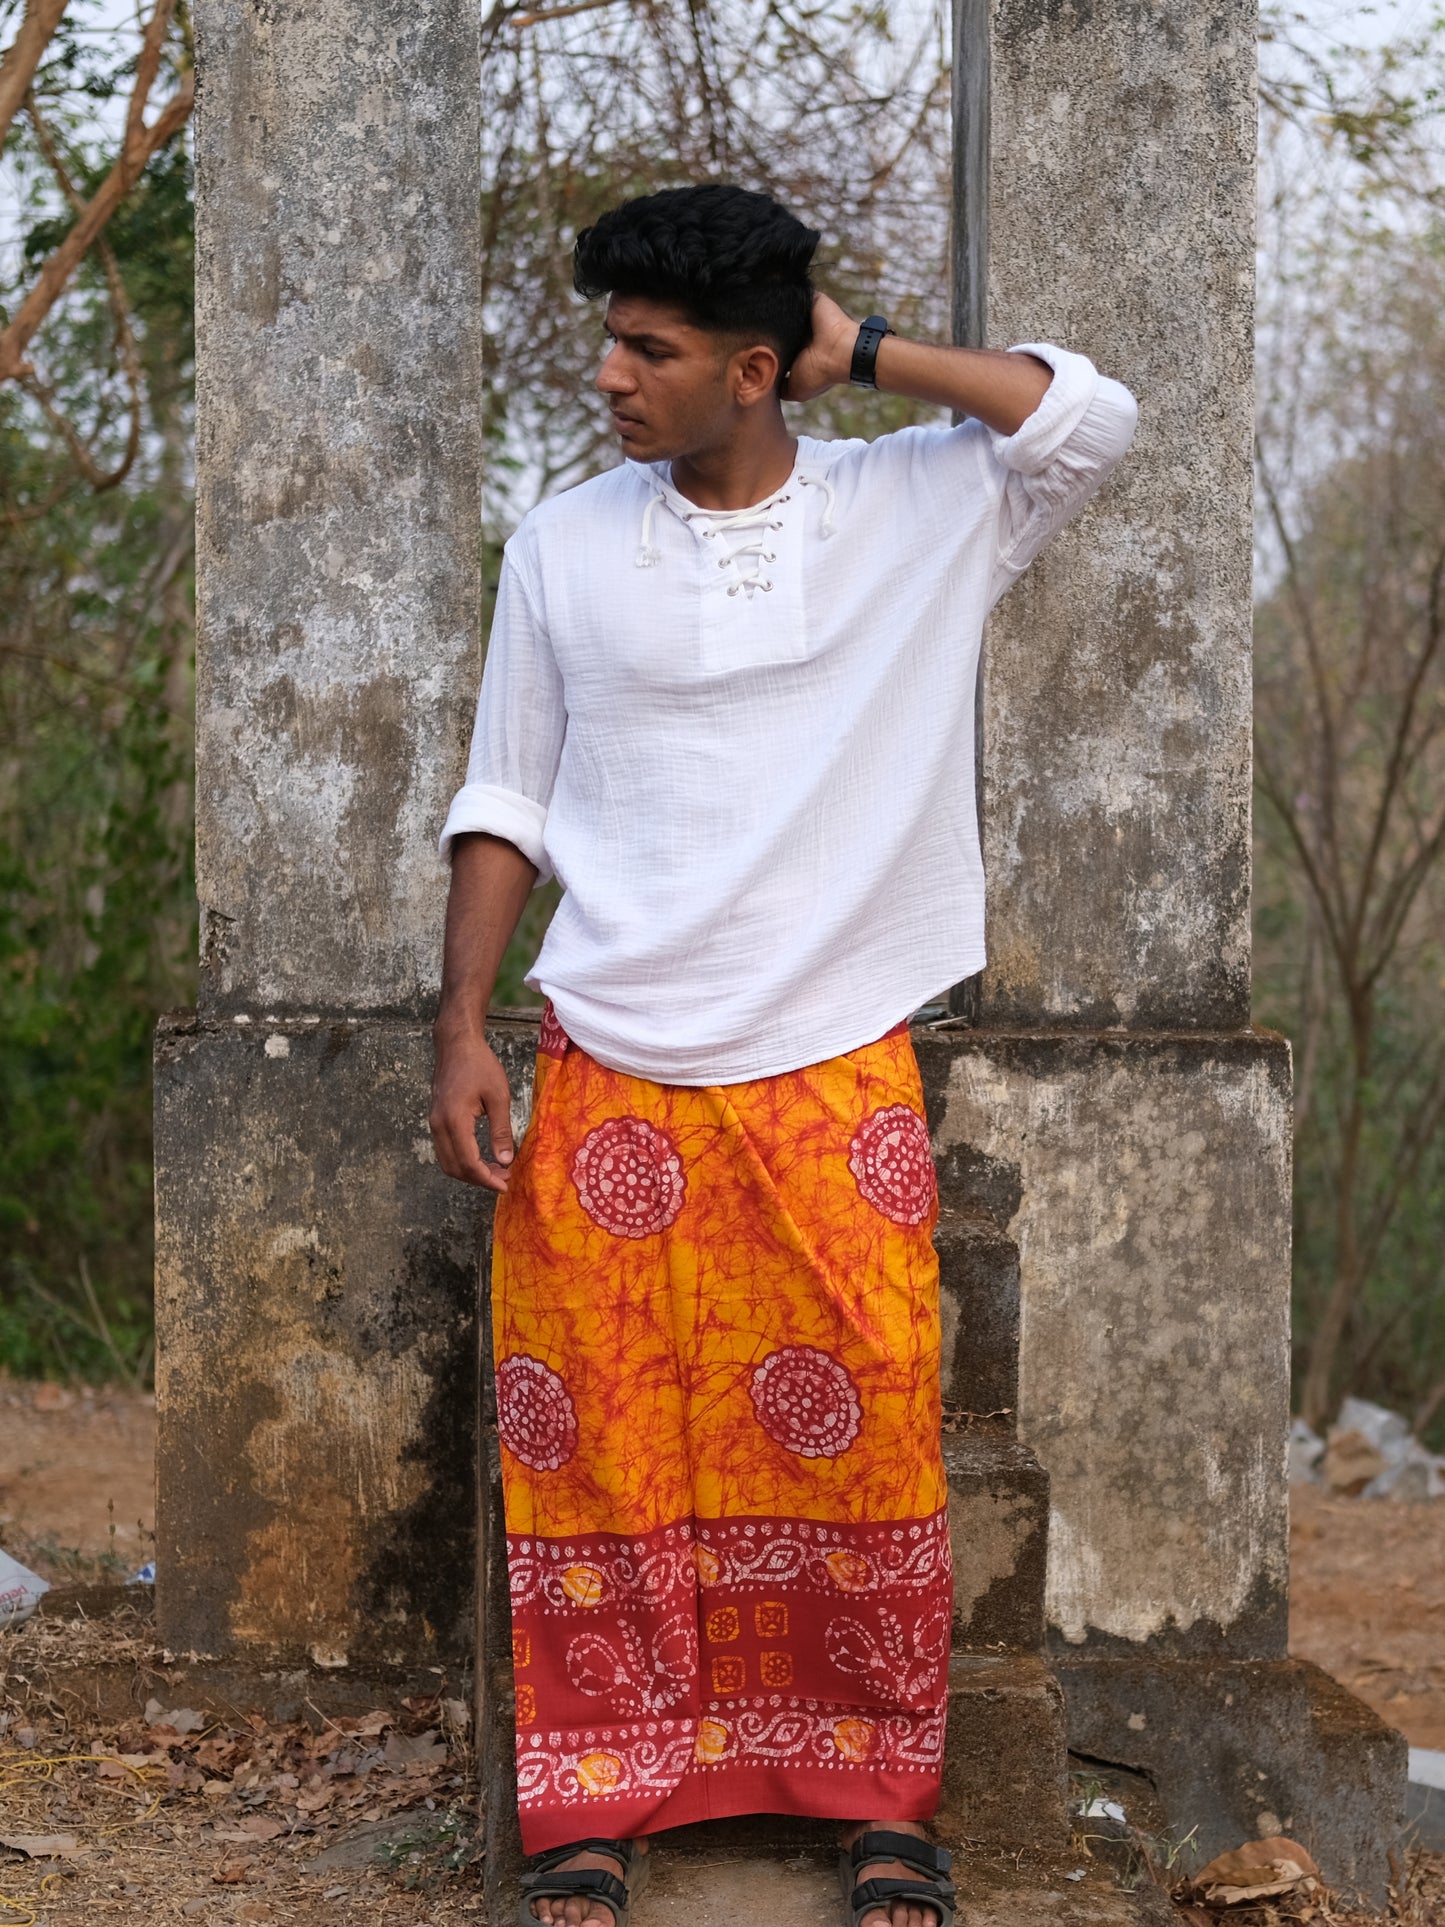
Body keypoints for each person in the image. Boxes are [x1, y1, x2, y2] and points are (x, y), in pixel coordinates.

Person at [431, 183, 1138, 1927]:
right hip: (607, 1051)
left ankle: (881, 1799)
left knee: (868, 1421)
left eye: (649, 349)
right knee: (595, 1436)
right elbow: (505, 794)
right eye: (606, 338)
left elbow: (1093, 417)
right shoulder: (566, 546)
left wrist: (868, 351)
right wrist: (463, 1021)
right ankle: (595, 1804)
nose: (608, 374)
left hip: (832, 1057)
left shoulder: (915, 508)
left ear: (756, 369)